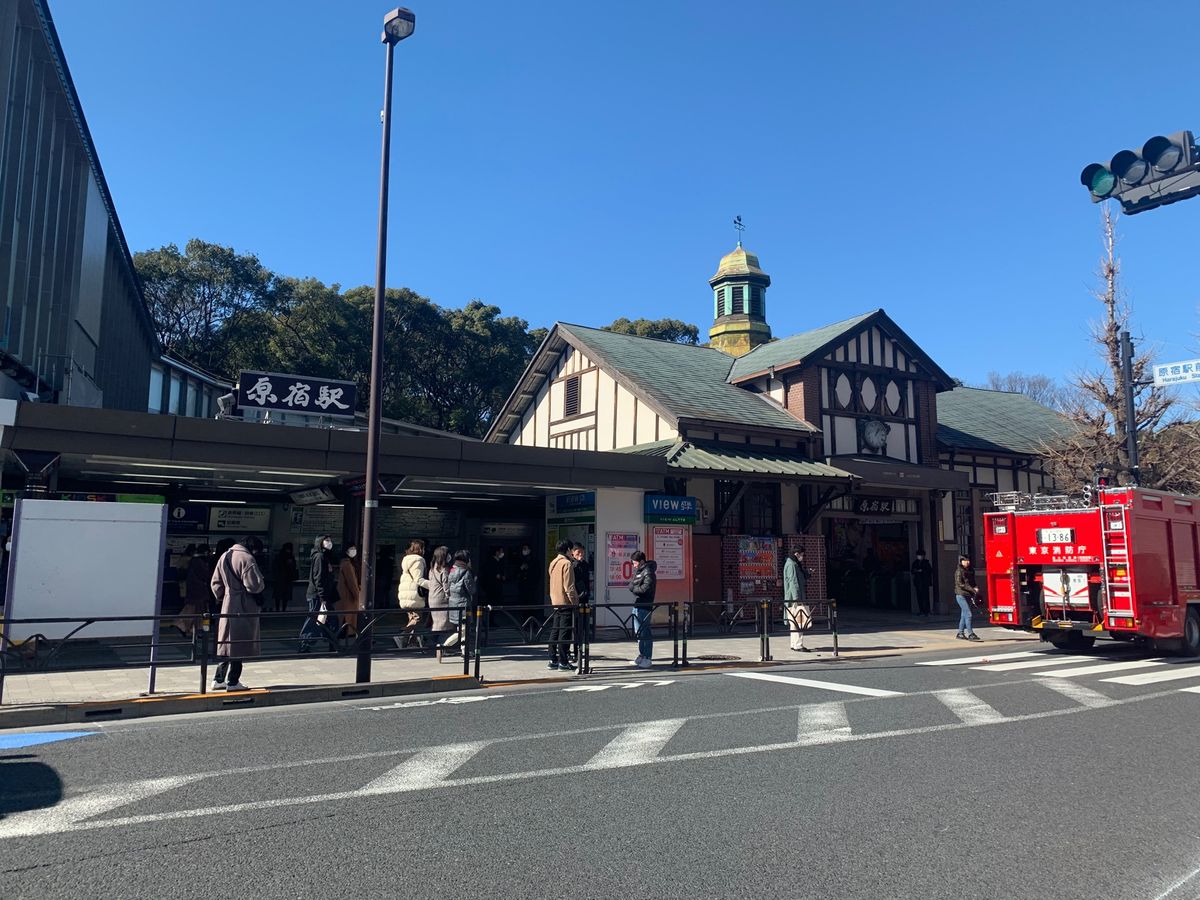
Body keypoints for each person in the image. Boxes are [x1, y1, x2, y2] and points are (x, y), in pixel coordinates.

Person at [209, 536, 266, 692]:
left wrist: (223, 597)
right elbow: (254, 586)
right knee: (239, 643)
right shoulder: (247, 558)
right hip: (244, 604)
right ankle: (233, 681)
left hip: (227, 603)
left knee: (226, 643)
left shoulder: (225, 556)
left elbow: (215, 583)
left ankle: (218, 679)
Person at [299, 535, 336, 652]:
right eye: (327, 540)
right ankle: (305, 643)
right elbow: (318, 578)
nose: (330, 542)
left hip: (324, 595)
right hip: (318, 595)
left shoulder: (325, 556)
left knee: (329, 619)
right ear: (320, 542)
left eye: (330, 540)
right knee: (315, 619)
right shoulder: (319, 556)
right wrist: (322, 596)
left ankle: (332, 642)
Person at [547, 539, 577, 671]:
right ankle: (563, 662)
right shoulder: (566, 564)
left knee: (555, 630)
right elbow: (569, 587)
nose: (572, 552)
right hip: (565, 602)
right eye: (571, 549)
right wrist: (574, 601)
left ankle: (552, 659)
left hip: (555, 601)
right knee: (564, 632)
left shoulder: (553, 562)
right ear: (568, 550)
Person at [444, 549, 475, 661]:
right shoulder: (466, 572)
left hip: (453, 603)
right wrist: (474, 581)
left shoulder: (452, 570)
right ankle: (444, 646)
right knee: (463, 630)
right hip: (463, 604)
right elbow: (471, 590)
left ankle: (464, 651)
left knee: (462, 628)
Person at [421, 545, 452, 658]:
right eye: (448, 554)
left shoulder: (433, 568)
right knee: (445, 625)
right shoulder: (444, 569)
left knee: (438, 624)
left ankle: (431, 642)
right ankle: (441, 646)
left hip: (433, 598)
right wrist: (451, 597)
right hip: (442, 599)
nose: (450, 556)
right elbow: (447, 586)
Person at [628, 550, 657, 668]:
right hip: (638, 605)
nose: (633, 565)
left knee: (645, 631)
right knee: (638, 632)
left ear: (641, 562)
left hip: (645, 605)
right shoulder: (640, 572)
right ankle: (641, 654)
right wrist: (634, 587)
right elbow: (631, 585)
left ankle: (647, 657)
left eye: (634, 563)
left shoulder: (648, 572)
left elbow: (645, 589)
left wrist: (635, 589)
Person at [397, 539, 428, 649]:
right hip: (414, 594)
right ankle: (402, 635)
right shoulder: (418, 560)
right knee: (417, 619)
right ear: (420, 549)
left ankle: (412, 642)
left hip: (406, 594)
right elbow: (418, 579)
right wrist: (432, 585)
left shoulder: (406, 559)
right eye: (423, 548)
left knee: (412, 618)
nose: (424, 550)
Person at [783, 548, 815, 653]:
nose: (802, 557)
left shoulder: (792, 564)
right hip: (795, 598)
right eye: (801, 554)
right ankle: (798, 645)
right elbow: (793, 582)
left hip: (792, 597)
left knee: (794, 622)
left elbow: (798, 578)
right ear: (796, 554)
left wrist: (808, 573)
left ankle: (794, 644)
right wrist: (797, 599)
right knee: (799, 621)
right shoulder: (792, 565)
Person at [336, 545, 362, 639]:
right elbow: (352, 582)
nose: (353, 551)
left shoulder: (346, 563)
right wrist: (357, 594)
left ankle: (346, 633)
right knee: (348, 616)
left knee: (347, 616)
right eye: (351, 549)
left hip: (345, 595)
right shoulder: (347, 564)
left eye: (355, 548)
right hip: (349, 595)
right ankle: (348, 634)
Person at [955, 554, 981, 642]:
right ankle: (970, 633)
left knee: (964, 615)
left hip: (968, 595)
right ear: (961, 561)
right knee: (968, 614)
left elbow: (973, 581)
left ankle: (960, 633)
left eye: (968, 560)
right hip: (961, 595)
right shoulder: (959, 571)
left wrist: (976, 587)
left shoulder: (971, 570)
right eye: (965, 560)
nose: (968, 562)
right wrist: (972, 589)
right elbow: (960, 584)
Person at [272, 542, 298, 613]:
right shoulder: (290, 557)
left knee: (278, 596)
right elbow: (293, 567)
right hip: (287, 579)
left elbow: (274, 567)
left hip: (279, 579)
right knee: (285, 597)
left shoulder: (279, 556)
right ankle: (283, 609)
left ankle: (278, 609)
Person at [910, 550, 933, 616]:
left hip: (925, 582)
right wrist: (916, 571)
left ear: (923, 556)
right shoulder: (915, 563)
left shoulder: (926, 563)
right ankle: (921, 610)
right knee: (919, 597)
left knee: (926, 597)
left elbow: (930, 571)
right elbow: (912, 571)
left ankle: (927, 611)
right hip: (918, 582)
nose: (919, 556)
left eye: (920, 555)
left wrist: (922, 571)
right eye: (918, 555)